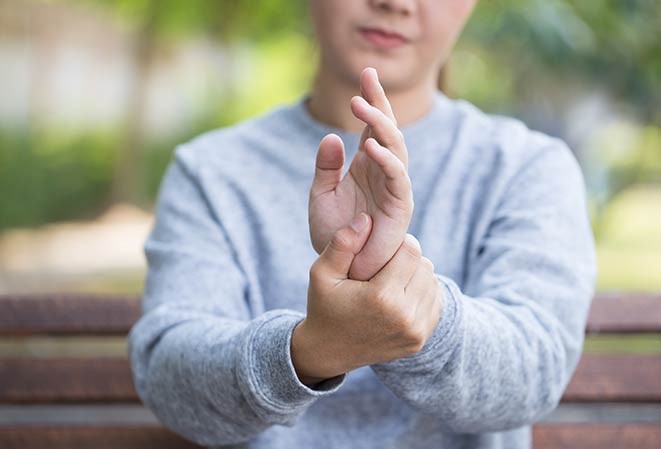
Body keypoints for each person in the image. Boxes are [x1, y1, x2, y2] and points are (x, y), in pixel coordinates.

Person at [127, 0, 598, 448]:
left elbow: (534, 368)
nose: (395, 3)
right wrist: (308, 351)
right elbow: (170, 375)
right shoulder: (211, 171)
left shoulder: (527, 167)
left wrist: (397, 295)